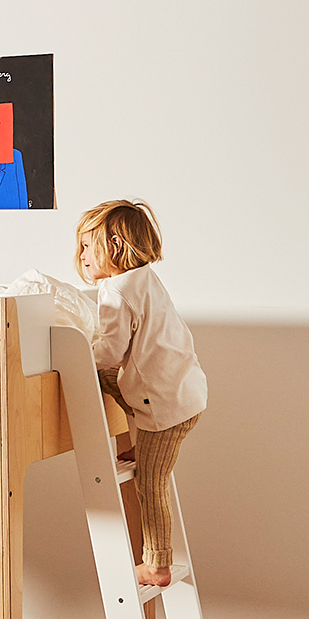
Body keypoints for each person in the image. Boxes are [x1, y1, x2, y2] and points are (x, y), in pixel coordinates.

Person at [76, 200, 207, 589]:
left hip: (166, 406)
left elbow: (110, 353)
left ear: (114, 245)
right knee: (114, 383)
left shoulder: (115, 291)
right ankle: (141, 445)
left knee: (150, 484)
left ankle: (157, 565)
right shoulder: (143, 279)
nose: (81, 256)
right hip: (182, 390)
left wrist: (80, 350)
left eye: (87, 245)